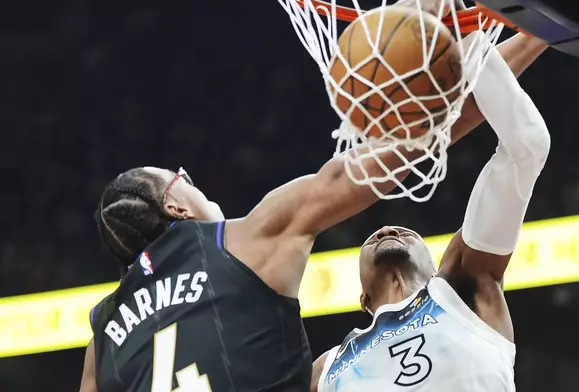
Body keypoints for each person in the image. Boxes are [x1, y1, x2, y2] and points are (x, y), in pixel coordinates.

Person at [79, 25, 547, 392]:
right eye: (185, 178)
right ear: (176, 205)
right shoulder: (244, 241)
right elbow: (410, 146)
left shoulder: (102, 337)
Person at [312, 29, 550, 392]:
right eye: (376, 235)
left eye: (406, 232)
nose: (389, 230)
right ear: (362, 299)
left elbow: (527, 146)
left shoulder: (464, 289)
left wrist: (467, 38)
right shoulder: (325, 369)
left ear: (437, 264)